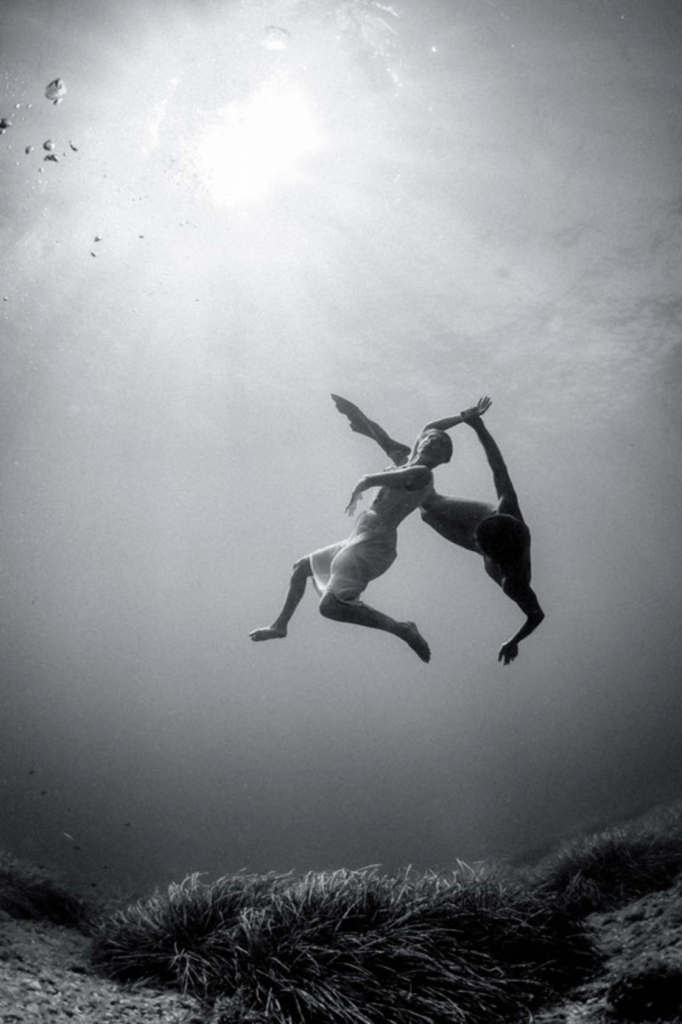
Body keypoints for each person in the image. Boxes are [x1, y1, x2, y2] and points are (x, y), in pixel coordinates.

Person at [249, 410, 483, 661]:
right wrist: (462, 417)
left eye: (440, 445)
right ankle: (280, 626)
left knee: (330, 607)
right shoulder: (406, 459)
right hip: (360, 536)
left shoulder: (422, 473)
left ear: (442, 460)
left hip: (375, 544)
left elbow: (374, 479)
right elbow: (421, 428)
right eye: (430, 439)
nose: (432, 441)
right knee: (301, 567)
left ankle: (402, 629)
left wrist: (363, 483)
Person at [331, 394, 544, 664]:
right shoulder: (508, 511)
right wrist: (479, 428)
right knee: (428, 501)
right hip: (491, 519)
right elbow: (497, 465)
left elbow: (536, 615)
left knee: (427, 512)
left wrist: (514, 640)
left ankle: (400, 456)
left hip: (486, 538)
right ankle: (399, 454)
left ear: (484, 550)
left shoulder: (513, 581)